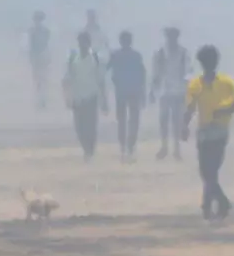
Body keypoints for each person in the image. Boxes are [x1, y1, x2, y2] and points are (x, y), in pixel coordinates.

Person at [185, 44, 234, 221]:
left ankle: (208, 206)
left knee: (210, 172)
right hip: (204, 132)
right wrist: (184, 126)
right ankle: (221, 203)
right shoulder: (196, 84)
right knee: (207, 172)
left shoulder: (226, 83)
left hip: (219, 132)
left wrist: (223, 111)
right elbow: (190, 108)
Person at [62, 29, 109, 161]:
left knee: (91, 126)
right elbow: (67, 80)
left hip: (91, 96)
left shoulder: (95, 58)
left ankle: (90, 151)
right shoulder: (72, 59)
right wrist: (67, 97)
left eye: (85, 42)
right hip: (77, 97)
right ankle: (86, 148)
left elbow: (101, 80)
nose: (83, 45)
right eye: (80, 42)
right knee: (79, 127)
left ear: (89, 43)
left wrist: (104, 99)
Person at [151, 27, 192, 161]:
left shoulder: (183, 53)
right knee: (163, 121)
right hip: (165, 91)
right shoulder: (160, 52)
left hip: (178, 91)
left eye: (173, 37)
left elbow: (188, 71)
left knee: (176, 121)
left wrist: (187, 85)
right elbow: (156, 73)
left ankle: (176, 149)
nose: (171, 39)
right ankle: (164, 147)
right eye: (169, 37)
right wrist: (152, 90)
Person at [107, 30, 148, 161]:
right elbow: (142, 75)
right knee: (131, 120)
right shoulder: (135, 55)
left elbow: (106, 68)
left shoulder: (117, 55)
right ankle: (129, 144)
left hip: (123, 91)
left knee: (124, 120)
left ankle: (125, 144)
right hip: (131, 91)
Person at [25, 10, 50, 112]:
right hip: (36, 57)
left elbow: (47, 45)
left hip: (42, 56)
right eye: (37, 19)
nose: (38, 21)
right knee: (38, 79)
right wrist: (31, 57)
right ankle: (40, 98)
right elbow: (30, 45)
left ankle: (42, 99)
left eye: (39, 19)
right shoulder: (32, 31)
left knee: (42, 79)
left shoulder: (46, 31)